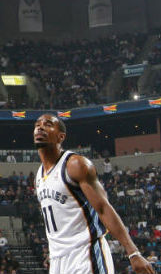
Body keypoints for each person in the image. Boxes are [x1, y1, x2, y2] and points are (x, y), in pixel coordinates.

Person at [33, 113, 154, 274]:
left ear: (61, 137)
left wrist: (133, 252)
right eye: (37, 125)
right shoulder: (39, 176)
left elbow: (103, 208)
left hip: (86, 252)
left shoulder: (76, 164)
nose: (40, 127)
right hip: (57, 260)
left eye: (48, 124)